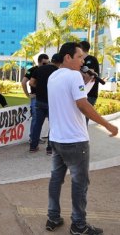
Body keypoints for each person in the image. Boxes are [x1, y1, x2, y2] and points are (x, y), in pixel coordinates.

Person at [45, 42, 118, 234]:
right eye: (79, 57)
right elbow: (83, 105)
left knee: (56, 179)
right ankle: (78, 226)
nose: (83, 60)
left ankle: (52, 218)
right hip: (75, 140)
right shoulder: (73, 75)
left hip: (57, 138)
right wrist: (107, 124)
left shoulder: (54, 76)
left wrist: (85, 82)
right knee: (80, 183)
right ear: (68, 57)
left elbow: (68, 98)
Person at [28, 54, 60, 154]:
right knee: (53, 125)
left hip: (39, 101)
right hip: (52, 102)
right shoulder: (58, 71)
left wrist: (40, 87)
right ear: (59, 62)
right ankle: (49, 149)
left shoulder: (39, 69)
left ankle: (33, 147)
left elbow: (31, 83)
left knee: (37, 124)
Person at [22, 54, 49, 143]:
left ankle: (36, 138)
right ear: (39, 62)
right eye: (44, 63)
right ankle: (33, 139)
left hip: (46, 98)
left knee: (41, 119)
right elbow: (24, 82)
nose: (46, 65)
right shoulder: (33, 70)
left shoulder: (49, 70)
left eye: (48, 63)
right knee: (36, 118)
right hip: (36, 97)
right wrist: (28, 95)